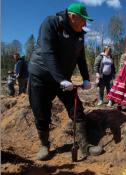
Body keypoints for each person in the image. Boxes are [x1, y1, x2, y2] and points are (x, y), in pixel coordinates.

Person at [28, 2, 102, 160]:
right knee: (41, 112)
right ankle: (44, 145)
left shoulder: (80, 34)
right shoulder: (51, 23)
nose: (85, 23)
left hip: (62, 79)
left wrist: (86, 78)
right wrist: (60, 79)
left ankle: (85, 145)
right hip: (40, 75)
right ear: (72, 17)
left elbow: (81, 58)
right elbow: (47, 52)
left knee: (77, 109)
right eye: (83, 20)